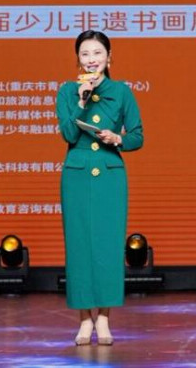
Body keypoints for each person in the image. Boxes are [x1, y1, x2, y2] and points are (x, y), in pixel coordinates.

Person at [55, 30, 144, 346]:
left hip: (110, 174)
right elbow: (68, 134)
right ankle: (84, 319)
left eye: (97, 53)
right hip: (77, 175)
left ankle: (104, 318)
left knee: (108, 246)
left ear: (109, 56)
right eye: (85, 54)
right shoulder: (67, 91)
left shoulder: (121, 91)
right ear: (77, 59)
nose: (91, 60)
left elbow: (137, 135)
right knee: (79, 246)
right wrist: (81, 101)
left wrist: (118, 138)